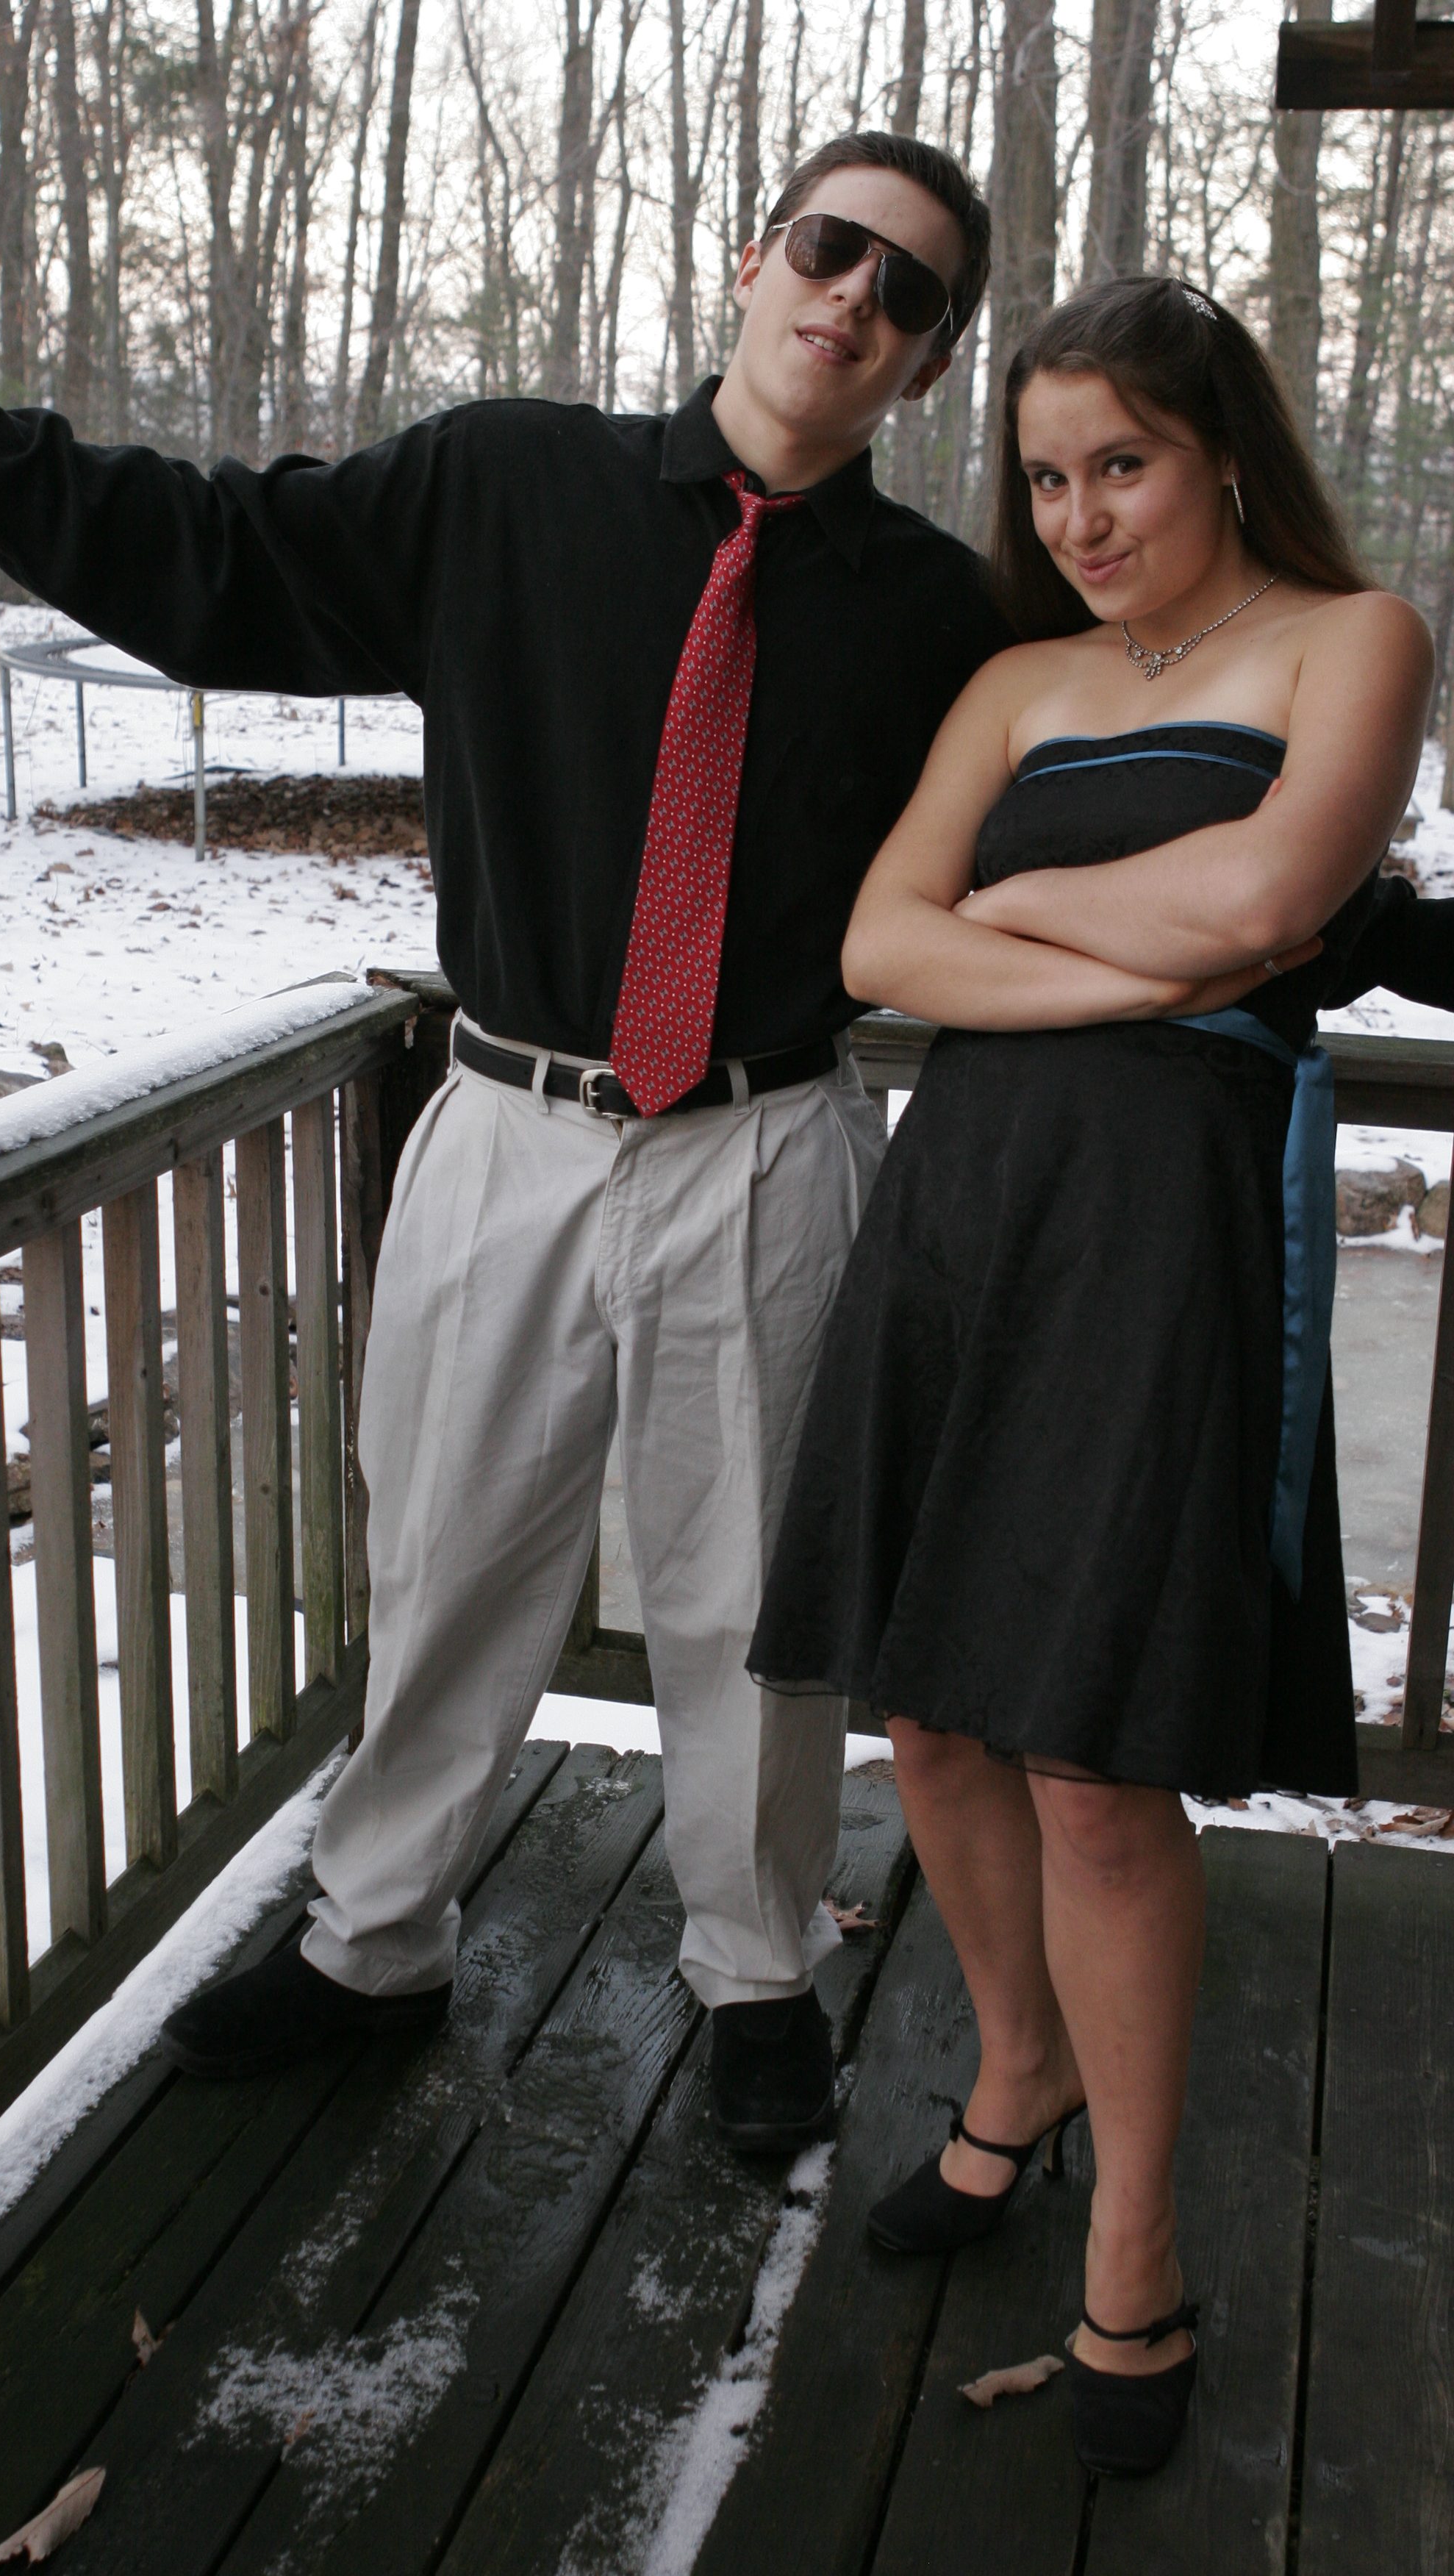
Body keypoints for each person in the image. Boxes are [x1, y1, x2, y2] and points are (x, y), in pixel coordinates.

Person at [0, 134, 1018, 2152]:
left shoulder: (943, 618)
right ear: (754, 255)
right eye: (832, 246)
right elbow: (201, 554)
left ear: (932, 360)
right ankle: (375, 1939)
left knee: (756, 1601)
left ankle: (759, 1966)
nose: (856, 296)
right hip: (509, 1120)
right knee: (445, 1555)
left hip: (767, 1148)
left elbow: (1082, 820)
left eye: (911, 289)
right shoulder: (506, 488)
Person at [748, 275, 1433, 2472]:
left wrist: (1034, 918)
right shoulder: (1017, 677)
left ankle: (1135, 2242)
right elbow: (881, 943)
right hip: (967, 1209)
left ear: (1223, 449)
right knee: (933, 1708)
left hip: (1167, 1228)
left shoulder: (1355, 639)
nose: (1080, 519)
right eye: (1045, 480)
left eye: (1121, 465)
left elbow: (1274, 901)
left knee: (1090, 1760)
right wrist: (1163, 938)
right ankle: (1016, 2067)